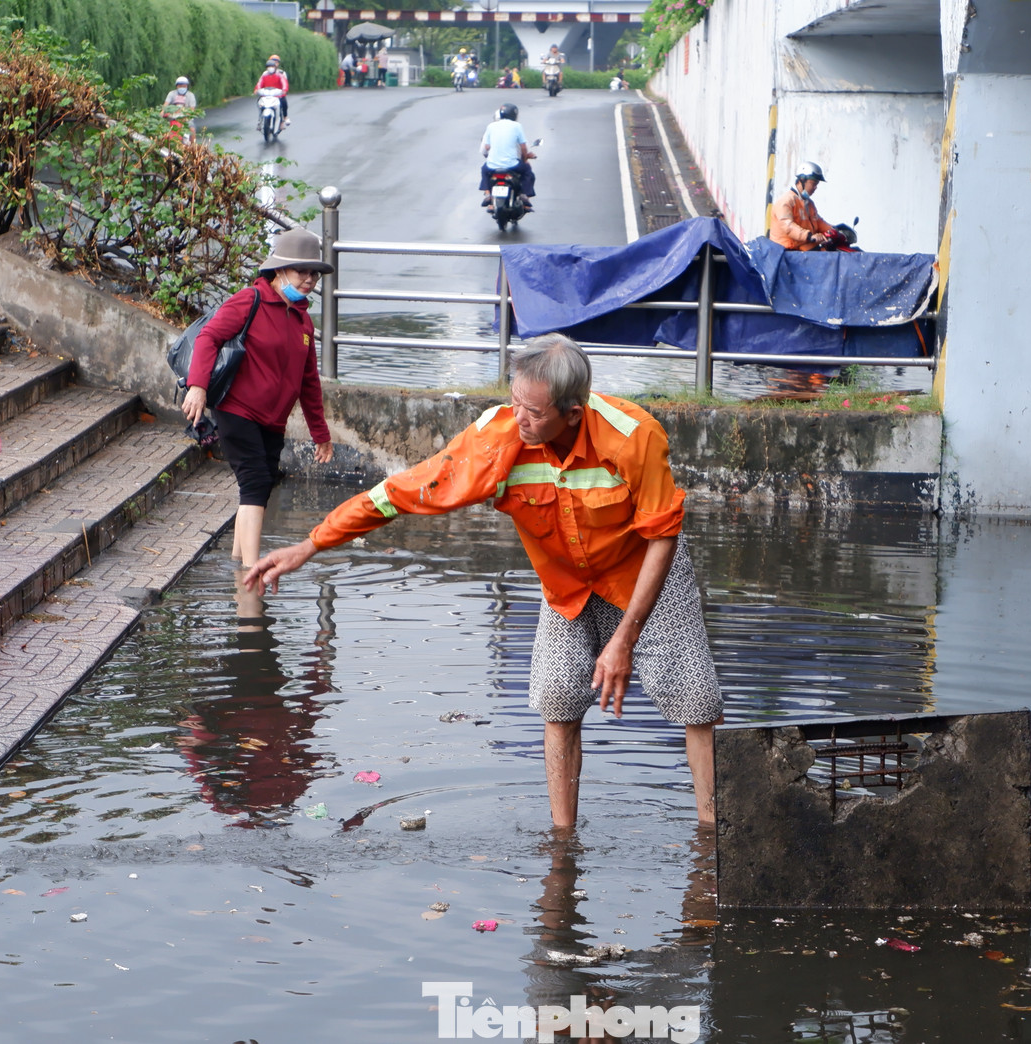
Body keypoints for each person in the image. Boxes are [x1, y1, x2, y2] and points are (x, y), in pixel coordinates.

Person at [242, 334, 725, 829]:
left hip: (643, 568)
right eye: (513, 403)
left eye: (533, 413)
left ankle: (714, 831)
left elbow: (663, 534)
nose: (519, 419)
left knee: (695, 697)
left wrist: (624, 639)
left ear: (574, 412)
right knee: (557, 695)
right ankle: (563, 841)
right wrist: (311, 544)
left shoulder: (633, 437)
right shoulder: (496, 441)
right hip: (565, 581)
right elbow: (403, 492)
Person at [181, 227, 334, 568]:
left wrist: (320, 434)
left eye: (314, 273)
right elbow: (208, 338)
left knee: (261, 485)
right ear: (279, 270)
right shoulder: (249, 299)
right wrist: (198, 387)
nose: (309, 279)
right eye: (301, 271)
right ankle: (252, 574)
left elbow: (309, 382)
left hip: (273, 419)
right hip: (238, 409)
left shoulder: (303, 321)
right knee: (255, 481)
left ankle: (239, 562)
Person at [479, 102, 536, 211]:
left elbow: (486, 147)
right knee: (527, 169)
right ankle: (524, 194)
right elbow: (523, 148)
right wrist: (524, 160)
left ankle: (487, 193)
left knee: (484, 169)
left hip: (492, 165)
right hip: (512, 165)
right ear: (514, 115)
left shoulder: (491, 126)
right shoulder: (517, 126)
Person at [770, 161, 836, 251]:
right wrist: (809, 236)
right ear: (802, 180)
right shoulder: (785, 202)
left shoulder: (809, 203)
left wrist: (835, 230)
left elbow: (818, 222)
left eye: (817, 184)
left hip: (803, 250)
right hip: (786, 253)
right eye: (813, 183)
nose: (815, 188)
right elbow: (788, 227)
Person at [256, 57, 290, 127]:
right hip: (266, 94)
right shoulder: (265, 74)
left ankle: (284, 118)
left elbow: (284, 83)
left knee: (283, 103)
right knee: (260, 102)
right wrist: (257, 89)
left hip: (278, 94)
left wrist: (284, 90)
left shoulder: (281, 73)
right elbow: (260, 83)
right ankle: (260, 119)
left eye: (276, 62)